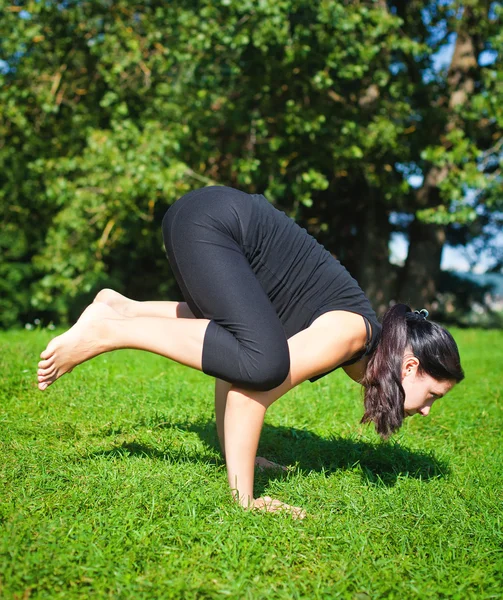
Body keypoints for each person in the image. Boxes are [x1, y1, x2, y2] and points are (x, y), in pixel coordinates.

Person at [37, 186, 464, 518]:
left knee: (254, 350)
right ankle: (113, 330)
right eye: (432, 395)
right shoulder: (352, 333)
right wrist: (245, 498)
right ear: (409, 366)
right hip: (212, 224)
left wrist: (240, 453)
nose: (426, 410)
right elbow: (253, 387)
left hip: (201, 217)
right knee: (264, 361)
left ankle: (120, 308)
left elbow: (238, 370)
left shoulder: (358, 338)